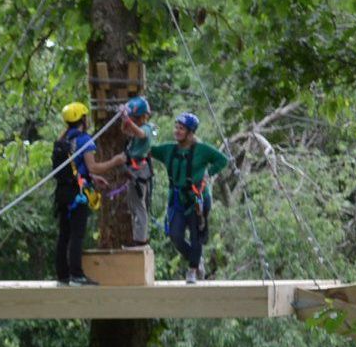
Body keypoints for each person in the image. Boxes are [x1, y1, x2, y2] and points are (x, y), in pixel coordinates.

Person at [148, 111, 230, 284]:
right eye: (176, 127)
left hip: (196, 199)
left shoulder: (202, 150)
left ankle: (192, 270)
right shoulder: (169, 150)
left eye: (181, 129)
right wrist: (142, 132)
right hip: (177, 199)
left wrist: (209, 173)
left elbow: (222, 160)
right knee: (175, 235)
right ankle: (195, 258)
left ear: (191, 132)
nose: (177, 131)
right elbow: (149, 150)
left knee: (196, 236)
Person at [52, 101, 125, 287]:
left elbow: (76, 170)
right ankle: (76, 275)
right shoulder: (84, 140)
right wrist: (115, 161)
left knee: (64, 235)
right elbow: (93, 166)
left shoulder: (63, 140)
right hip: (78, 195)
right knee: (77, 234)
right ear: (83, 119)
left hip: (63, 193)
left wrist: (92, 178)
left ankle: (63, 275)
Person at [120, 96, 158, 246]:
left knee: (139, 207)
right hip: (133, 170)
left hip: (139, 171)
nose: (133, 121)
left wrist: (127, 120)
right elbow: (126, 130)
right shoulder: (138, 128)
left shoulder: (148, 128)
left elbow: (140, 133)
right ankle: (138, 238)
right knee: (134, 206)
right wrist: (124, 119)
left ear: (143, 116)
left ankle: (140, 241)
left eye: (135, 118)